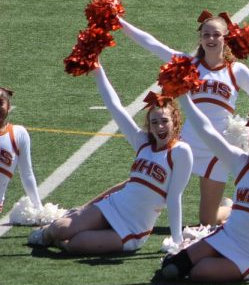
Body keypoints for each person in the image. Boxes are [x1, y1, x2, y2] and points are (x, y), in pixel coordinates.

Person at [120, 12, 249, 226]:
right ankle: (104, 206)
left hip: (218, 147)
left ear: (226, 38)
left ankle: (230, 207)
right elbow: (153, 44)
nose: (211, 39)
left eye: (216, 34)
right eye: (206, 34)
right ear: (200, 38)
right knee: (144, 178)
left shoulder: (236, 70)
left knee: (207, 221)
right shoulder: (189, 64)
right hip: (187, 142)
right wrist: (120, 22)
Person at [29, 65, 192, 254]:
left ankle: (61, 240)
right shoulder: (143, 142)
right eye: (154, 122)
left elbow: (174, 197)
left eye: (165, 121)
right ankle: (47, 233)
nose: (160, 127)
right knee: (61, 229)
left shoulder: (181, 152)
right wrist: (97, 70)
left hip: (132, 227)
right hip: (112, 206)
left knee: (77, 243)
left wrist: (177, 241)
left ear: (175, 122)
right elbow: (116, 107)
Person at [159, 98, 249, 283]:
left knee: (199, 272)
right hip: (226, 237)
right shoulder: (241, 163)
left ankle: (208, 240)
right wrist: (185, 97)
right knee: (171, 267)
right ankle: (216, 227)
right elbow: (207, 132)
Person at [0, 86, 44, 217]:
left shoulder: (18, 134)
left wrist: (39, 208)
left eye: (0, 103)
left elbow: (27, 174)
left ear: (8, 106)